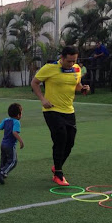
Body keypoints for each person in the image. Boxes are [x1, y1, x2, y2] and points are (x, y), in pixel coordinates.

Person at [30, 46, 90, 186]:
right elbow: (35, 82)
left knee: (70, 142)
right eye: (69, 61)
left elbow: (76, 86)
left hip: (69, 111)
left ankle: (57, 165)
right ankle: (58, 174)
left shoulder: (76, 69)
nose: (71, 63)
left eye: (74, 60)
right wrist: (43, 99)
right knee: (60, 138)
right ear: (62, 58)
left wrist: (83, 89)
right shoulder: (49, 68)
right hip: (52, 110)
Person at [0, 103, 24, 184]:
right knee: (13, 161)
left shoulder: (5, 120)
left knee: (3, 159)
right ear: (18, 115)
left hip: (3, 144)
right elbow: (14, 132)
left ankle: (1, 172)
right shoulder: (16, 122)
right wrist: (21, 141)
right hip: (10, 145)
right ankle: (2, 173)